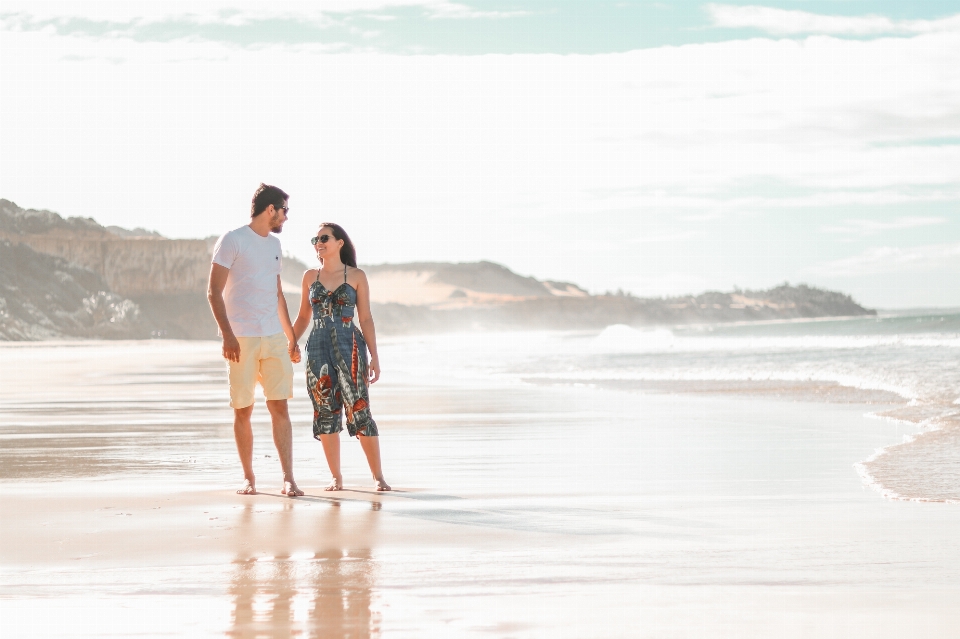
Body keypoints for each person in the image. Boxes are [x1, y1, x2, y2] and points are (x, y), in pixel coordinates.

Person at [207, 183, 304, 497]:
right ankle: (249, 477)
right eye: (284, 211)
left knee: (280, 407)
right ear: (270, 210)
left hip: (273, 337)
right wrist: (228, 335)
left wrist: (291, 338)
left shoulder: (274, 245)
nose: (286, 218)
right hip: (242, 339)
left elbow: (278, 294)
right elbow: (213, 293)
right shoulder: (232, 240)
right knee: (243, 410)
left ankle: (288, 478)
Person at [292, 223, 391, 491]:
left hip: (351, 346)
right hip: (318, 347)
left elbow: (366, 318)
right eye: (315, 239)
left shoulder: (357, 276)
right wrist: (290, 342)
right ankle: (336, 477)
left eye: (324, 238)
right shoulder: (309, 277)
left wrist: (375, 357)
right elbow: (303, 316)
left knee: (359, 406)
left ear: (339, 243)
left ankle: (377, 476)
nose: (318, 242)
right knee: (325, 410)